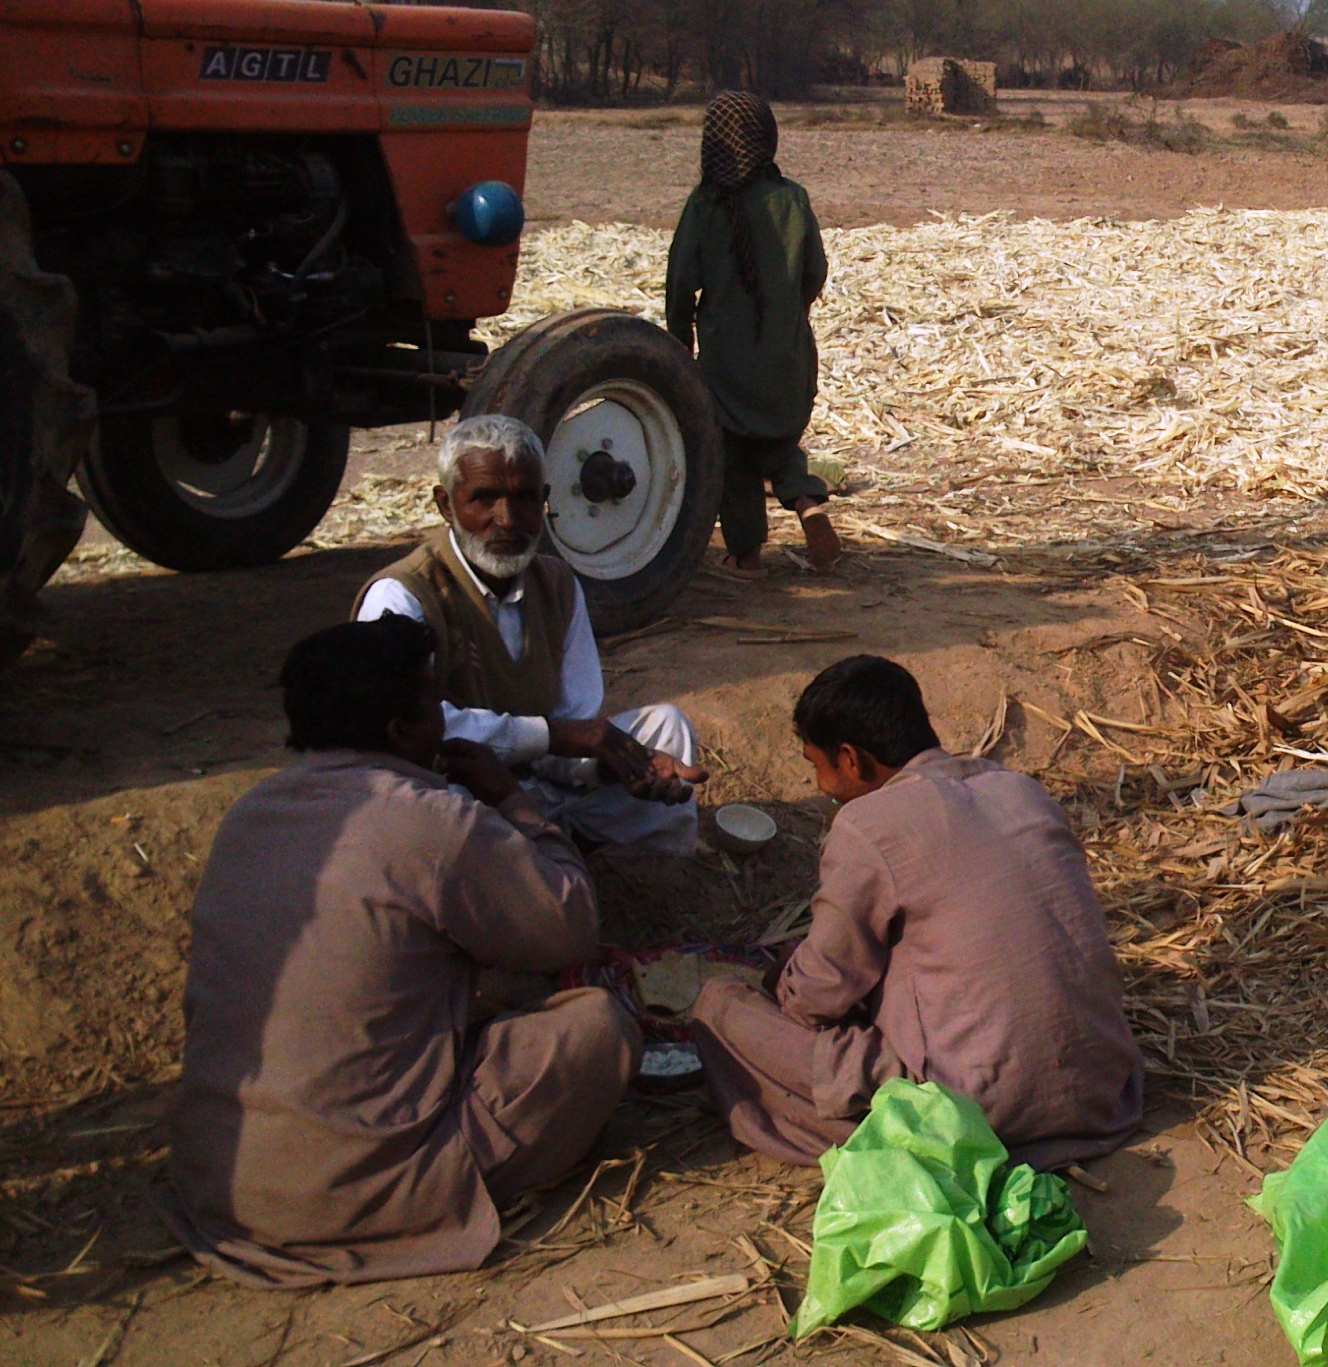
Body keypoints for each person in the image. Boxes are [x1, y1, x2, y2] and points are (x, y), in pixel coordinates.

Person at [159, 617, 638, 1285]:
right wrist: (513, 801)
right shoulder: (430, 819)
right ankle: (418, 1206)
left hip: (219, 1184)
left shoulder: (247, 814)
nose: (444, 723)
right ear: (401, 733)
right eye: (433, 707)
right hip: (354, 1196)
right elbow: (568, 925)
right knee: (595, 1028)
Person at [690, 655, 1146, 1169]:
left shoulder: (868, 824)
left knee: (718, 1007)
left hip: (976, 1115)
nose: (820, 788)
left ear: (851, 759)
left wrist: (778, 985)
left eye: (815, 767)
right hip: (1102, 1092)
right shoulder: (1022, 792)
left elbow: (817, 996)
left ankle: (914, 1144)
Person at [357, 413, 707, 854]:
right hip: (461, 790)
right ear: (446, 505)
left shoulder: (557, 584)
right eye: (484, 499)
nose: (506, 519)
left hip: (539, 787)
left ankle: (614, 862)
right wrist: (552, 738)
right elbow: (401, 732)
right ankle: (556, 853)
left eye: (523, 499)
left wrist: (613, 764)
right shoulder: (403, 595)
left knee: (665, 728)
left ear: (543, 500)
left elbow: (573, 729)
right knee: (440, 809)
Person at [666, 90, 838, 579]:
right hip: (786, 354)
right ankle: (806, 502)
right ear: (768, 141)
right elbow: (814, 272)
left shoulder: (704, 206)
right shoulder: (792, 200)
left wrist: (681, 337)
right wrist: (788, 312)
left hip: (725, 357)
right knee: (779, 441)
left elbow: (681, 278)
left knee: (734, 454)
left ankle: (745, 555)